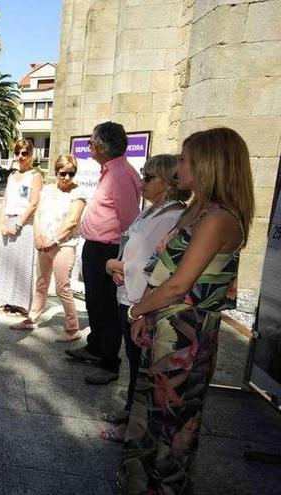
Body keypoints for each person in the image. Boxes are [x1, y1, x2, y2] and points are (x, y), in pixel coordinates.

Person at [118, 128, 254, 494]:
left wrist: (137, 311)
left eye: (184, 159)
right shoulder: (197, 208)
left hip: (184, 332)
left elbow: (179, 283)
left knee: (172, 418)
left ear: (208, 165)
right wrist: (145, 314)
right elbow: (161, 268)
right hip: (164, 324)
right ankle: (139, 479)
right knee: (151, 410)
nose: (178, 165)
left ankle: (161, 486)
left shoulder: (218, 218)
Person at [96, 154, 188, 442]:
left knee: (141, 366)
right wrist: (119, 267)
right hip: (129, 294)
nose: (142, 182)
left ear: (169, 184)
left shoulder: (172, 215)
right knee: (135, 364)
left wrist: (118, 266)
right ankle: (130, 413)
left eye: (149, 177)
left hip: (142, 301)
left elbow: (156, 263)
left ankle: (133, 428)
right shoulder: (152, 211)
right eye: (143, 175)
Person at [64, 122, 142, 385]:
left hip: (109, 249)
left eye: (91, 143)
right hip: (96, 247)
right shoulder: (111, 171)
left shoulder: (121, 175)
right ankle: (95, 347)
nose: (89, 148)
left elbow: (130, 221)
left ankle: (110, 363)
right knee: (94, 303)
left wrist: (121, 259)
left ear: (100, 146)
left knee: (107, 307)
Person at [11, 154, 87, 341]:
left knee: (62, 287)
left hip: (64, 245)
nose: (67, 178)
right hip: (44, 243)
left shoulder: (79, 194)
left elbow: (72, 222)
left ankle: (72, 328)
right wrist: (38, 237)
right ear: (56, 172)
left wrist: (52, 240)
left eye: (71, 173)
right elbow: (37, 215)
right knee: (41, 283)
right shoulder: (46, 190)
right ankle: (32, 318)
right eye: (63, 173)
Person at [0, 139, 43, 317]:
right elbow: (5, 200)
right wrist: (1, 222)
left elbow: (33, 203)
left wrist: (17, 225)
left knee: (22, 264)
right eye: (18, 153)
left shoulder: (35, 176)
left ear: (31, 155)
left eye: (25, 153)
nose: (21, 157)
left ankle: (22, 304)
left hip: (24, 224)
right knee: (8, 262)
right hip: (8, 220)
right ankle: (9, 300)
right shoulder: (11, 176)